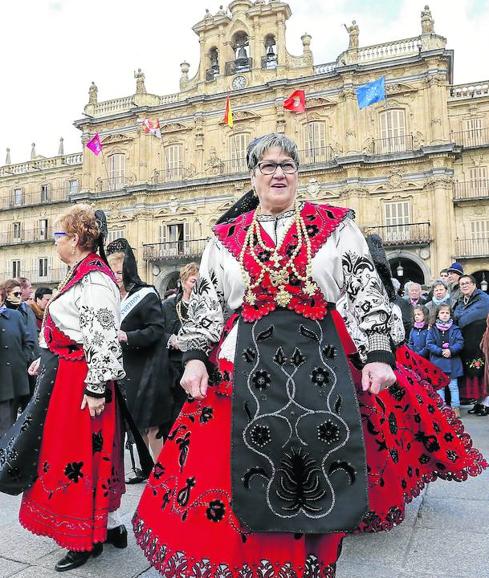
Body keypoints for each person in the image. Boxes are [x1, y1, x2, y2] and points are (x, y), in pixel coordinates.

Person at [132, 134, 486, 577]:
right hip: (242, 362)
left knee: (315, 470)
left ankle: (304, 563)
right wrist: (195, 358)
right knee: (231, 471)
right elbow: (206, 304)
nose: (278, 172)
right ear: (252, 176)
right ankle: (248, 562)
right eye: (267, 166)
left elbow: (366, 291)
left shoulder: (335, 225)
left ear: (298, 174)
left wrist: (378, 353)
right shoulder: (224, 239)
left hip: (320, 366)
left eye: (287, 165)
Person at [0, 204, 143, 572]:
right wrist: (44, 357)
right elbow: (69, 328)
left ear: (76, 239)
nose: (55, 241)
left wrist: (95, 387)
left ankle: (84, 538)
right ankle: (107, 527)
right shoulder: (79, 273)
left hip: (81, 383)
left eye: (58, 235)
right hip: (66, 376)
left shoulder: (94, 279)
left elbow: (101, 336)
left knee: (79, 457)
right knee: (76, 455)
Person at [106, 238, 170, 482]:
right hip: (124, 367)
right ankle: (146, 467)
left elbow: (156, 329)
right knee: (135, 423)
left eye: (120, 272)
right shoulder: (111, 298)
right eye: (112, 272)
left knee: (150, 423)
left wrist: (127, 336)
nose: (116, 276)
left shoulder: (146, 294)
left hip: (147, 367)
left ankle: (162, 471)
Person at [160, 262, 199, 439]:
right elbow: (158, 331)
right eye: (193, 281)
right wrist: (171, 339)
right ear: (183, 282)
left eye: (199, 282)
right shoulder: (168, 306)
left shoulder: (206, 306)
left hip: (198, 365)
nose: (196, 285)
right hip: (174, 367)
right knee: (175, 413)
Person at [0, 284, 34, 435]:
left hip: (13, 378)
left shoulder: (15, 316)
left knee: (9, 428)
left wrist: (21, 360)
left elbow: (28, 342)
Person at [454, 274, 489, 415]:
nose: (464, 285)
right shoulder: (460, 301)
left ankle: (487, 404)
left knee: (483, 373)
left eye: (467, 283)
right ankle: (479, 403)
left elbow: (470, 316)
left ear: (474, 284)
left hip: (480, 342)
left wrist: (460, 318)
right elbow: (456, 315)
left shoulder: (484, 299)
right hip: (467, 342)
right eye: (462, 284)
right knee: (473, 373)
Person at [426, 304, 464, 417]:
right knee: (440, 387)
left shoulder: (455, 329)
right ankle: (442, 408)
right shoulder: (433, 329)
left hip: (453, 363)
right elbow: (429, 344)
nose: (445, 315)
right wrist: (441, 351)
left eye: (447, 313)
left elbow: (460, 342)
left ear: (450, 315)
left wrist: (451, 350)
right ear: (438, 314)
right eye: (442, 313)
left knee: (453, 386)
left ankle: (455, 407)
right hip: (438, 363)